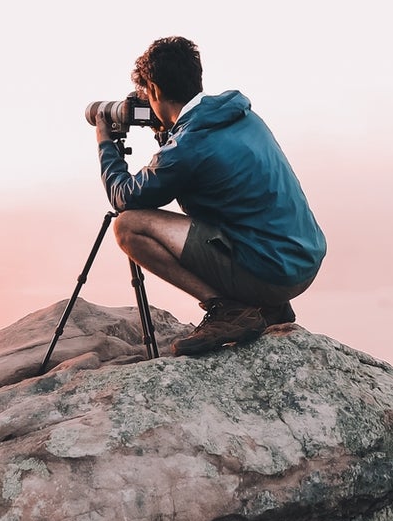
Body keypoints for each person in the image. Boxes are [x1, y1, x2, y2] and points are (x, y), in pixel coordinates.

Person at [94, 36, 326, 356]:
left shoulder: (188, 145)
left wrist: (106, 143)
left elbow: (124, 197)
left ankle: (229, 310)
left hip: (271, 272)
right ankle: (266, 308)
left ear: (155, 91)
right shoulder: (237, 114)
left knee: (128, 226)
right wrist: (164, 130)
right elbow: (195, 164)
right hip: (301, 261)